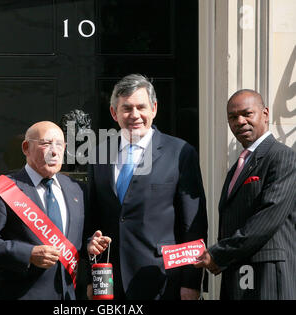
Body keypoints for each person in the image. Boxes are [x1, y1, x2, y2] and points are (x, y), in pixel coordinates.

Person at [87, 74, 208, 300]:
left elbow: (194, 225)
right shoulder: (99, 154)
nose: (135, 115)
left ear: (153, 108)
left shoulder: (180, 153)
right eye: (126, 108)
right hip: (108, 281)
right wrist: (89, 277)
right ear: (114, 113)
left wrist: (191, 283)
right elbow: (93, 219)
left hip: (161, 280)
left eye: (141, 107)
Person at [195, 89, 296, 300]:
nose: (239, 121)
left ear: (265, 114)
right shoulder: (238, 168)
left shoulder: (283, 157)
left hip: (268, 278)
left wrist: (218, 254)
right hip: (238, 277)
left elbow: (268, 217)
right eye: (232, 117)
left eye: (247, 113)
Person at [0, 121, 86, 300]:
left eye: (60, 144)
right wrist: (28, 254)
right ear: (26, 148)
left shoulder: (77, 190)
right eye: (46, 144)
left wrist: (91, 243)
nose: (54, 151)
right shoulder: (4, 190)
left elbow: (79, 241)